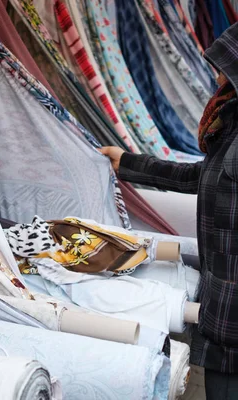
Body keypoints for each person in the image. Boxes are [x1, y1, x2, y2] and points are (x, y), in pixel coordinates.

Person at [100, 22, 238, 400]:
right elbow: (204, 175)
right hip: (223, 310)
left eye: (224, 65)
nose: (216, 74)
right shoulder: (232, 122)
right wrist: (128, 164)